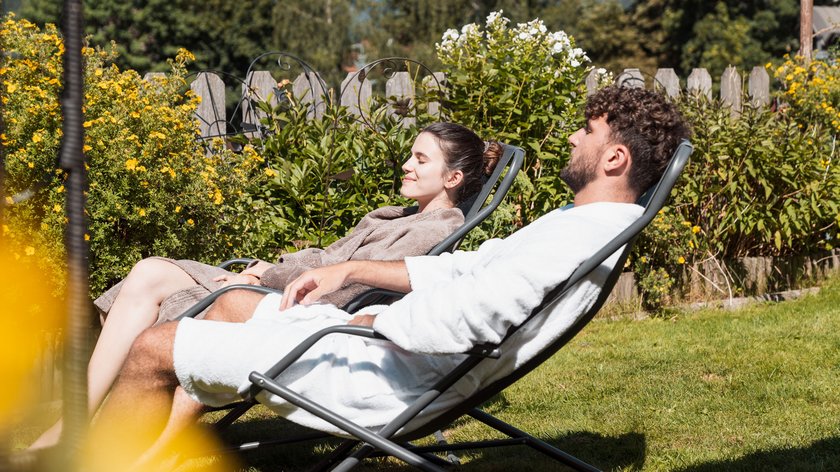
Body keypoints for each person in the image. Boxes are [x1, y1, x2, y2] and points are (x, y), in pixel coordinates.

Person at [86, 85, 690, 467]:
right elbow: (470, 268)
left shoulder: (577, 235)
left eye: (587, 132)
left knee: (150, 348)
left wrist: (374, 318)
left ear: (614, 157)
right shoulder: (577, 223)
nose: (571, 136)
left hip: (383, 374)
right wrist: (349, 268)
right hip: (378, 350)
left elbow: (474, 314)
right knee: (231, 308)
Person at [29, 122, 503, 450]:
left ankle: (84, 422)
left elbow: (344, 288)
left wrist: (260, 278)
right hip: (275, 285)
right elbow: (327, 257)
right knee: (150, 272)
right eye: (410, 155)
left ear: (453, 177)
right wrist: (263, 269)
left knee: (151, 279)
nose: (406, 165)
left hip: (290, 308)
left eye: (420, 159)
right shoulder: (404, 215)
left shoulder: (431, 229)